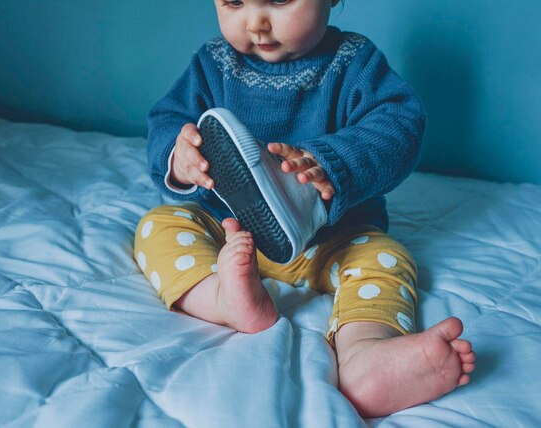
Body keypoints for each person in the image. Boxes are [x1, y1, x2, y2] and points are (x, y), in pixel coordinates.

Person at [135, 0, 475, 417]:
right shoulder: (213, 63)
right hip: (229, 232)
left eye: (278, 0)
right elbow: (168, 118)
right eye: (234, 3)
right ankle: (222, 297)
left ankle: (366, 353)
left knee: (386, 260)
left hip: (331, 237)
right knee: (158, 225)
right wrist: (180, 155)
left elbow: (400, 127)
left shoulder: (354, 63)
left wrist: (334, 164)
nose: (256, 23)